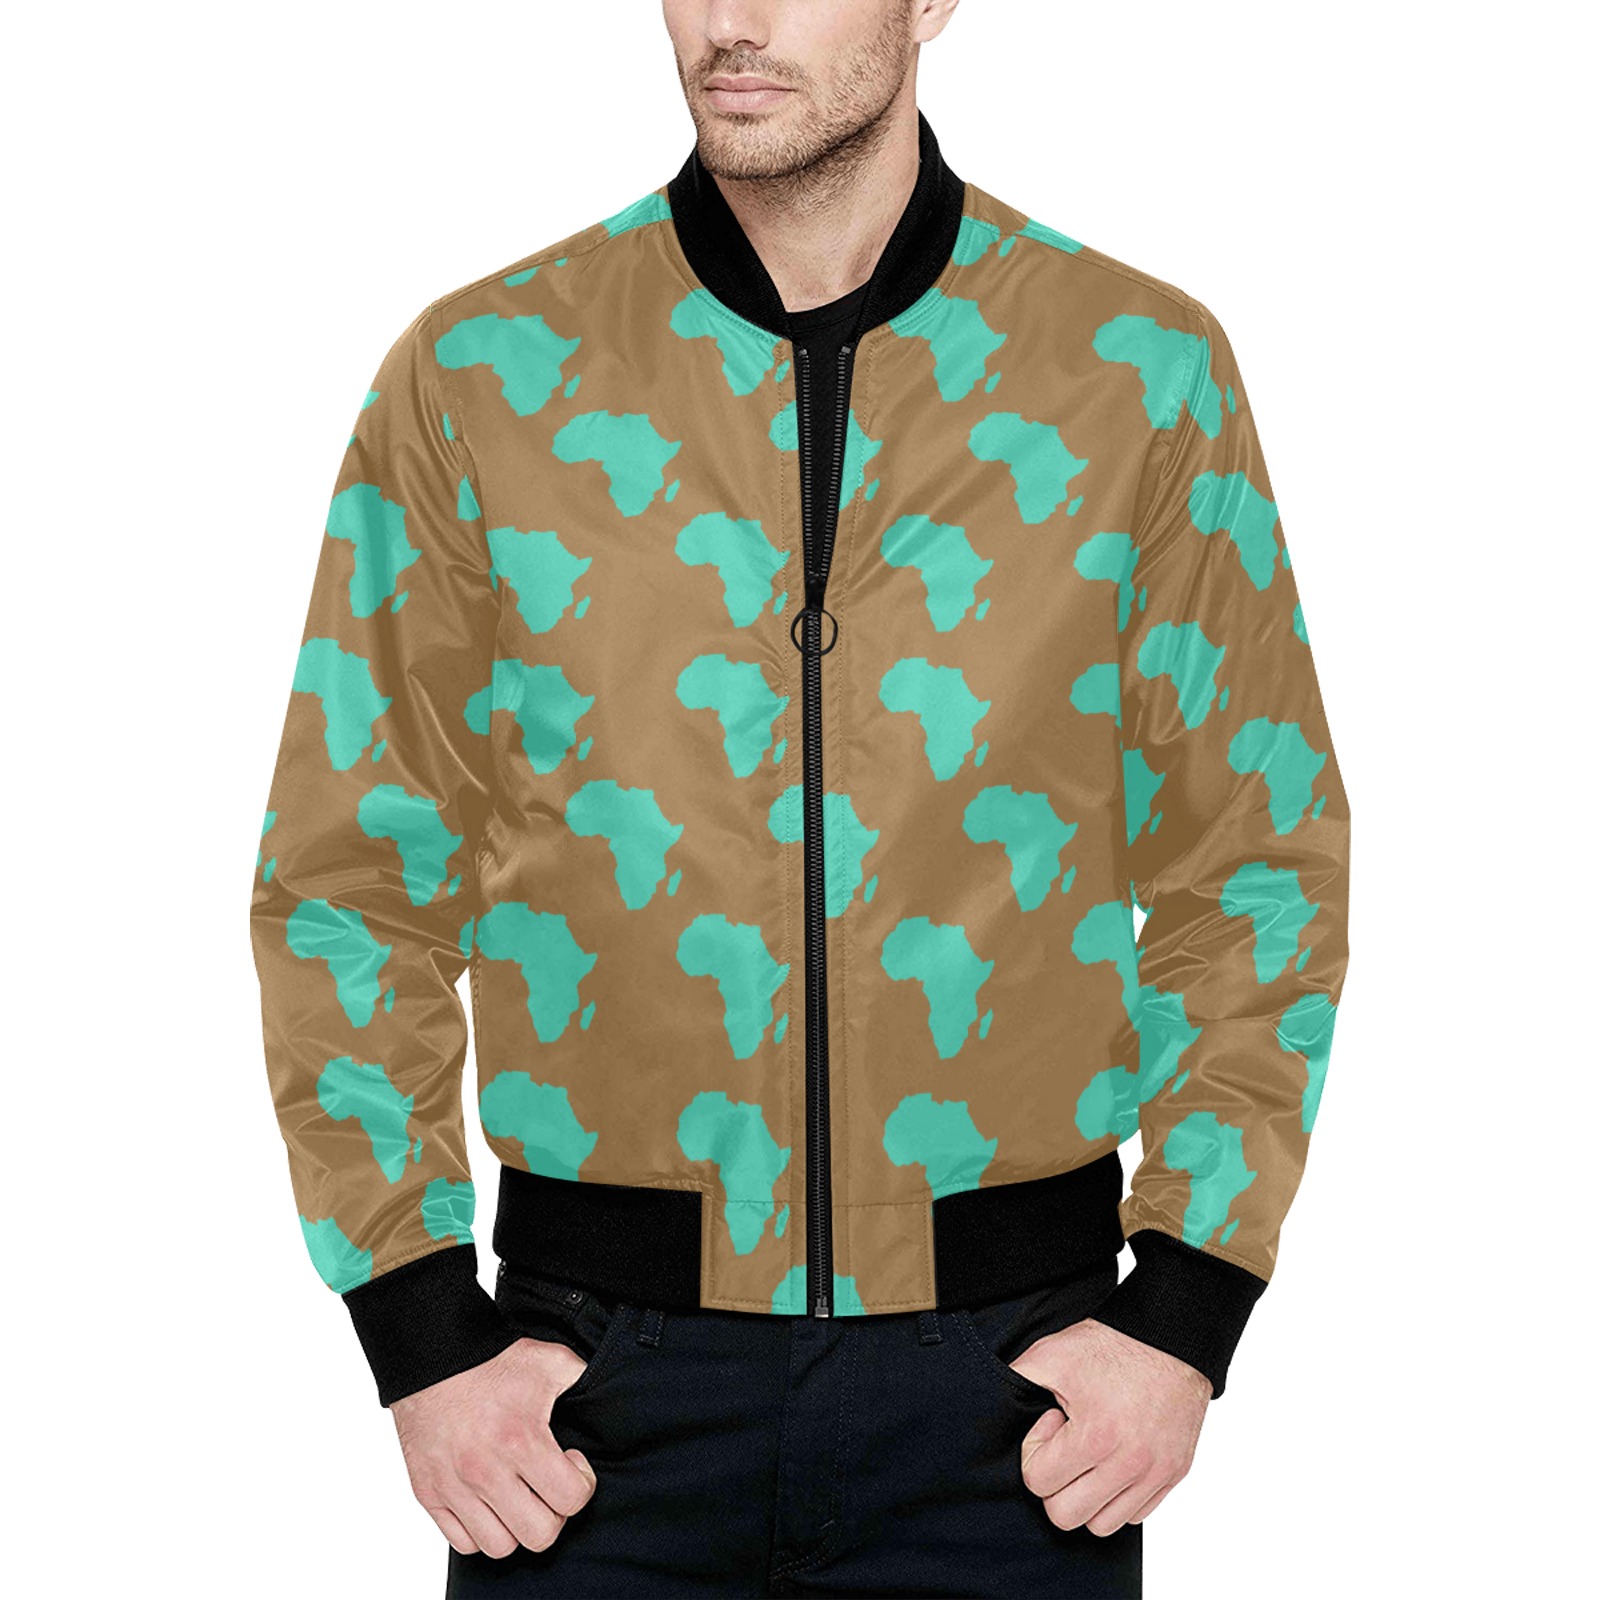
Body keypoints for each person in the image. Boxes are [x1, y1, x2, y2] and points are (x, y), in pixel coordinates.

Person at [248, 2, 1352, 1594]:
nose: (734, 21)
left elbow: (1254, 865)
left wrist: (1184, 1312)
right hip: (588, 1409)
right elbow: (350, 877)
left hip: (1016, 1404)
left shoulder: (1136, 373)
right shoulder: (481, 376)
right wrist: (418, 1331)